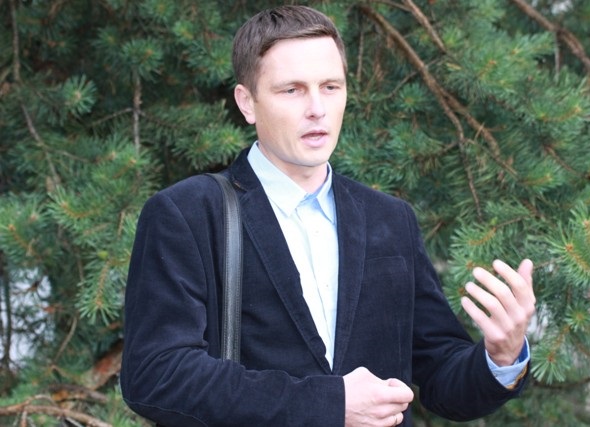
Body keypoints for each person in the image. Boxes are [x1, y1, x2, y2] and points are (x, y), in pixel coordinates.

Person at [120, 5, 536, 427]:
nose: (317, 108)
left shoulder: (391, 220)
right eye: (292, 90)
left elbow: (441, 376)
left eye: (330, 86)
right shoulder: (187, 213)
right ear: (247, 103)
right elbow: (156, 375)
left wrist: (500, 358)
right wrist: (330, 404)